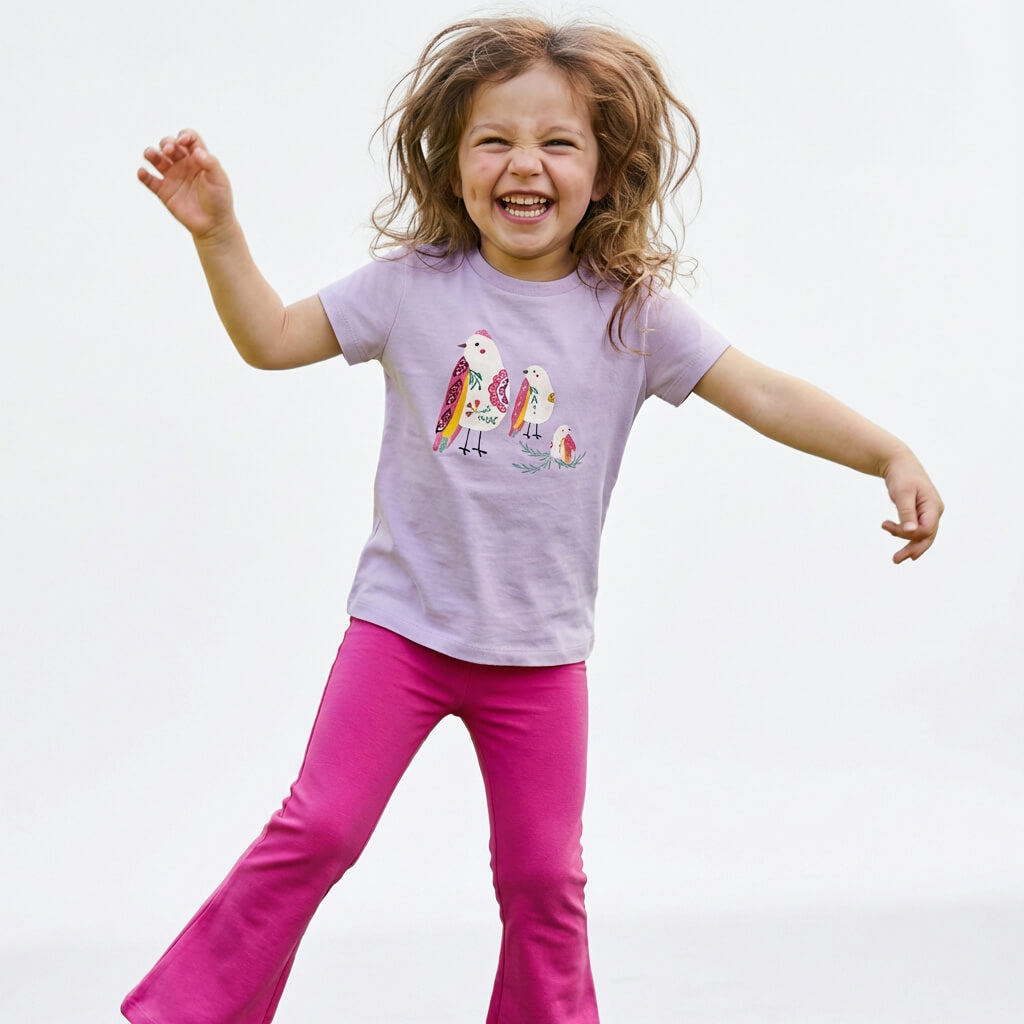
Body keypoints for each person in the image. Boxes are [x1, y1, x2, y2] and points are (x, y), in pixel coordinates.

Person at [123, 15, 942, 1024]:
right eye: (494, 140)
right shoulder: (410, 288)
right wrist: (220, 236)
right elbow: (272, 336)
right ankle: (186, 1011)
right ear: (454, 162)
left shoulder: (631, 316)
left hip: (541, 656)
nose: (524, 165)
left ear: (605, 172)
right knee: (323, 824)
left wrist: (886, 453)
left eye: (558, 143)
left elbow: (765, 392)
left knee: (545, 880)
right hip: (403, 632)